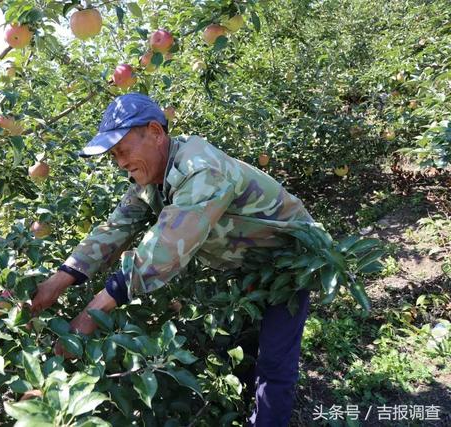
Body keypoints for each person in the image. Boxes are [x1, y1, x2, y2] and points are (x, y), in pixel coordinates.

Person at [30, 93, 315, 426]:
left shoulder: (201, 170)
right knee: (245, 343)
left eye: (122, 150)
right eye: (114, 156)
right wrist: (58, 280)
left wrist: (90, 315)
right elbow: (114, 229)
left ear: (155, 132)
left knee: (275, 362)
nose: (120, 162)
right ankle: (245, 408)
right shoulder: (151, 178)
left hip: (289, 261)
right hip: (245, 262)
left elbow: (162, 251)